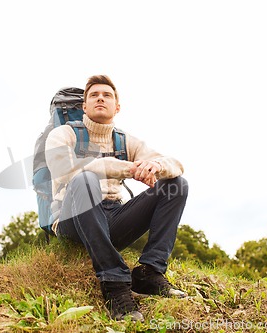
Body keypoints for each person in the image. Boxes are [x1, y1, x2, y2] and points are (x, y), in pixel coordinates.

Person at [45, 75, 189, 321]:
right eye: (94, 95)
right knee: (85, 178)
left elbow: (175, 164)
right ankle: (114, 283)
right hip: (73, 220)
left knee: (177, 184)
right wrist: (127, 168)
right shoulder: (62, 135)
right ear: (84, 107)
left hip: (113, 218)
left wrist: (153, 166)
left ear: (117, 107)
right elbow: (66, 170)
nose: (101, 98)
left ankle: (149, 272)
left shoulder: (125, 140)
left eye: (107, 95)